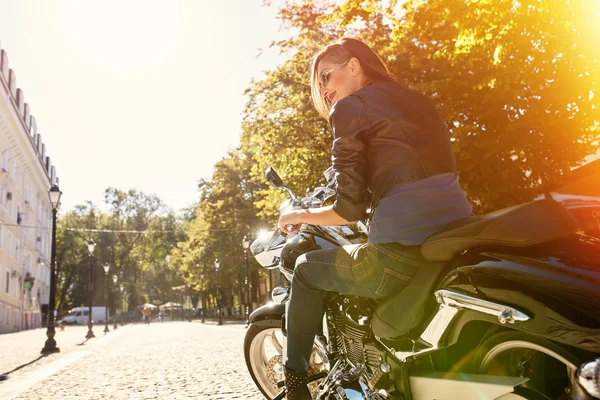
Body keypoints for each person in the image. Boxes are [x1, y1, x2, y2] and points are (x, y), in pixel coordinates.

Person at [277, 38, 473, 399]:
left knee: (305, 269)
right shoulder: (420, 101)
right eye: (319, 83)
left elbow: (347, 212)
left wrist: (298, 214)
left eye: (326, 76)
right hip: (459, 233)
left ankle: (295, 385)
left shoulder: (350, 108)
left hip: (401, 252)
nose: (324, 89)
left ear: (354, 66)